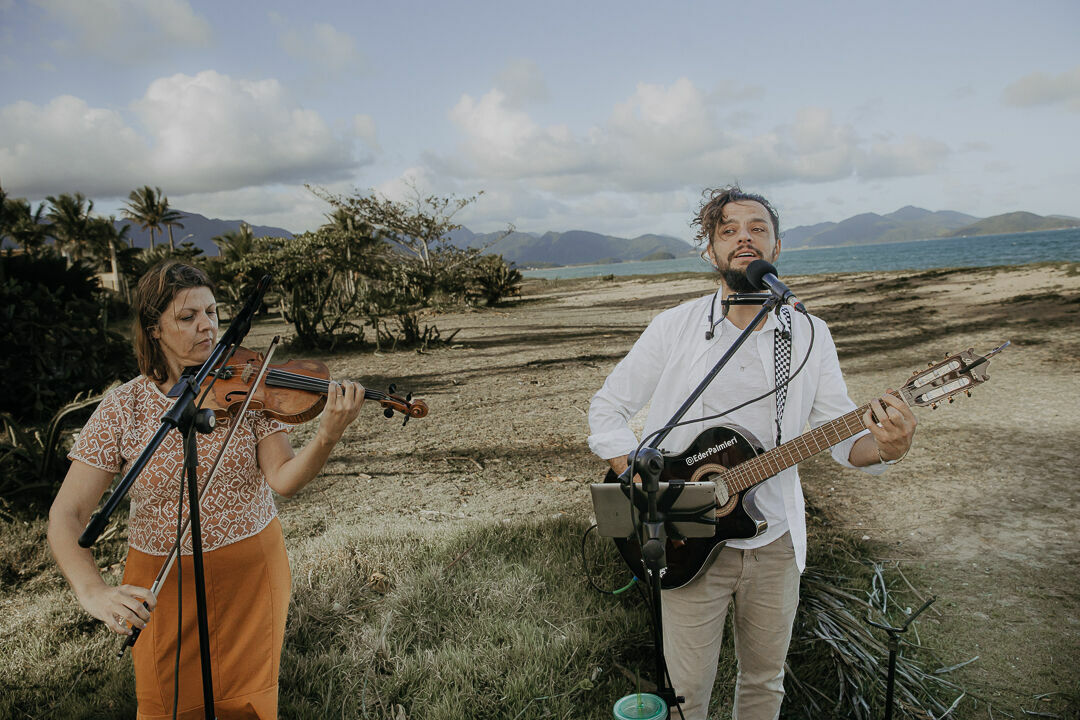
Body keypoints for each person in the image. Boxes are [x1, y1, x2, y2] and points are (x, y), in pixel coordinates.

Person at [587, 186, 917, 719]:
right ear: (710, 250)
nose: (745, 238)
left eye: (758, 229)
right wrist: (638, 475)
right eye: (729, 230)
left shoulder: (809, 334)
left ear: (776, 248)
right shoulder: (675, 327)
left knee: (765, 683)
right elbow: (607, 409)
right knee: (685, 693)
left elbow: (842, 440)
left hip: (774, 542)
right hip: (683, 536)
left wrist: (887, 448)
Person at [48, 260, 366, 719]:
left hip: (251, 574)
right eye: (188, 316)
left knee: (249, 706)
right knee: (166, 706)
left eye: (212, 312)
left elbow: (284, 478)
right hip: (162, 586)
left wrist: (328, 435)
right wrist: (92, 590)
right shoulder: (124, 407)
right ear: (154, 329)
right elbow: (67, 515)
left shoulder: (249, 386)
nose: (207, 326)